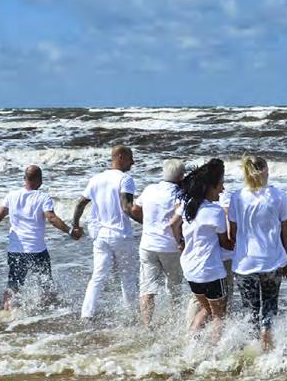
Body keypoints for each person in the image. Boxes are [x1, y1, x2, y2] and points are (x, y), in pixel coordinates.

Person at [227, 156, 287, 349]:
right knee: (270, 307)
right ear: (264, 170)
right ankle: (268, 343)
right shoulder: (278, 196)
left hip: (245, 263)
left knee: (251, 311)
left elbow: (233, 232)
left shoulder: (237, 197)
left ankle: (254, 349)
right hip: (272, 261)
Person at [0, 165, 71, 311]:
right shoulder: (43, 197)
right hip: (37, 249)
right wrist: (70, 231)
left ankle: (7, 312)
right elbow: (51, 218)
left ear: (25, 178)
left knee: (13, 284)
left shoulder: (12, 195)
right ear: (40, 180)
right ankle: (46, 313)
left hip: (15, 249)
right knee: (46, 284)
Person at [70, 145, 140, 320]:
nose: (133, 162)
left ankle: (86, 314)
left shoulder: (96, 179)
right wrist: (148, 222)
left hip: (101, 236)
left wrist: (75, 225)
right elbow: (127, 208)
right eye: (130, 157)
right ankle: (131, 315)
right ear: (121, 157)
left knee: (98, 277)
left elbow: (80, 203)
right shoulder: (125, 179)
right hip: (121, 235)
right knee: (128, 277)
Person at [169, 159, 232, 342]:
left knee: (206, 309)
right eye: (220, 185)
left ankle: (190, 345)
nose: (222, 189)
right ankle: (213, 353)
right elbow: (224, 243)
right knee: (219, 316)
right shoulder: (216, 211)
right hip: (211, 271)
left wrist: (180, 243)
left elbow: (172, 224)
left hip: (190, 269)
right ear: (210, 187)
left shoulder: (187, 204)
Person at [132, 158, 185, 325]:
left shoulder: (150, 189)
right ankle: (174, 320)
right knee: (174, 286)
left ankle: (147, 324)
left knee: (147, 288)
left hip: (148, 244)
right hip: (170, 246)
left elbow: (134, 208)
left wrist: (147, 223)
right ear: (181, 176)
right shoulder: (180, 193)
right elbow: (180, 220)